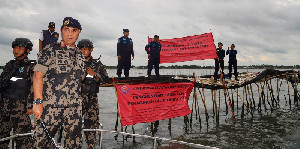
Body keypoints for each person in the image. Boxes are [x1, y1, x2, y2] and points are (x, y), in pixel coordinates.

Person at [32, 17, 86, 149]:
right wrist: (37, 103)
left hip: (74, 109)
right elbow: (37, 75)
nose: (70, 34)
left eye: (74, 30)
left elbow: (81, 79)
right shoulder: (50, 50)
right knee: (41, 144)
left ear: (79, 33)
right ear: (61, 31)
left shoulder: (80, 54)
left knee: (74, 145)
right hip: (51, 108)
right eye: (66, 30)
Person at [0, 38, 35, 148]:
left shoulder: (31, 66)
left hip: (21, 108)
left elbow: (33, 87)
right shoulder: (9, 65)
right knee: (2, 136)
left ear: (27, 50)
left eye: (19, 48)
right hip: (4, 106)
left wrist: (30, 106)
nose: (16, 50)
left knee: (23, 139)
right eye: (15, 47)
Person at [78, 39, 108, 149]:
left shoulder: (97, 65)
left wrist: (94, 74)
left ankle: (91, 145)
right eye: (81, 49)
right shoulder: (75, 64)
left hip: (92, 99)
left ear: (91, 50)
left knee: (91, 124)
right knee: (74, 125)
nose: (83, 51)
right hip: (77, 99)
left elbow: (105, 80)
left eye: (86, 49)